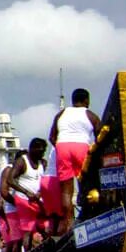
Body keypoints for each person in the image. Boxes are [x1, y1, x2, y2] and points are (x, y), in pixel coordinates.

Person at [49, 88, 101, 219]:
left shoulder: (61, 114)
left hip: (62, 147)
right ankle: (87, 215)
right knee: (87, 185)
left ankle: (69, 223)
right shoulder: (90, 115)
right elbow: (100, 137)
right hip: (81, 147)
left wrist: (61, 147)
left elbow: (51, 137)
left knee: (66, 191)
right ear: (86, 100)